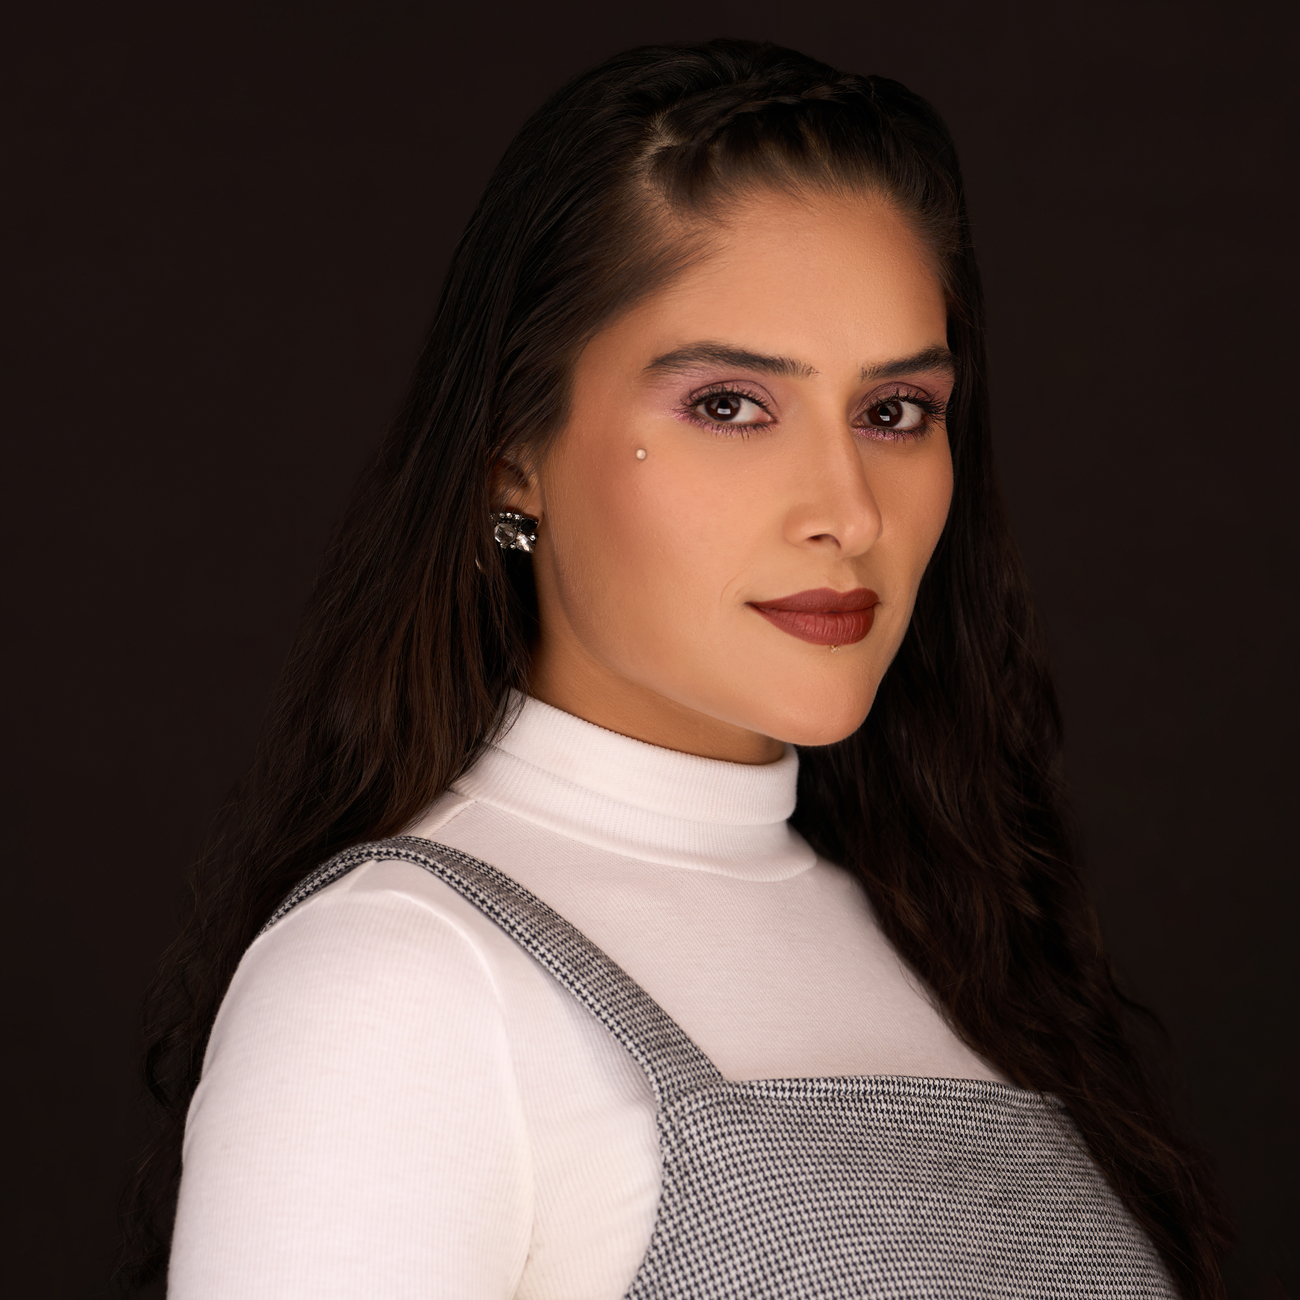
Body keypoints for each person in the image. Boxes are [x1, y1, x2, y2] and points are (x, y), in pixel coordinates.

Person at [126, 38, 1231, 1299]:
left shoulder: (962, 944)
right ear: (513, 453)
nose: (847, 511)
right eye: (729, 405)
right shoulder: (396, 984)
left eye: (894, 413)